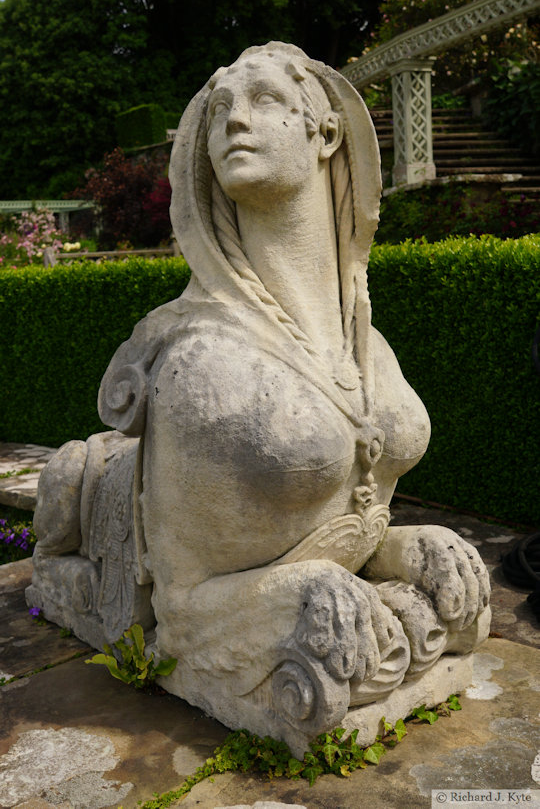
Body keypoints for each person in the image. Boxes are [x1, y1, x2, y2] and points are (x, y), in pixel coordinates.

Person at [31, 42, 490, 756]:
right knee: (72, 475)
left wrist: (404, 546)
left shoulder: (364, 341)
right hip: (155, 550)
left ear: (325, 132)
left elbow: (344, 515)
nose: (234, 122)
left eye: (264, 99)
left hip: (302, 558)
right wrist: (303, 594)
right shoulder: (199, 360)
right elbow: (181, 612)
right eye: (219, 110)